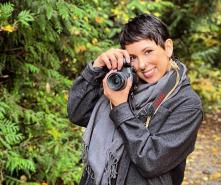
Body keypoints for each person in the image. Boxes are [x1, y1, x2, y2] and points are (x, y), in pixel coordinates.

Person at [67, 14, 203, 185]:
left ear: (168, 47)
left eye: (148, 52)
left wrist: (121, 107)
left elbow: (151, 160)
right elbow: (77, 113)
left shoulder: (187, 104)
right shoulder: (125, 84)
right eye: (133, 57)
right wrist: (96, 67)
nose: (142, 64)